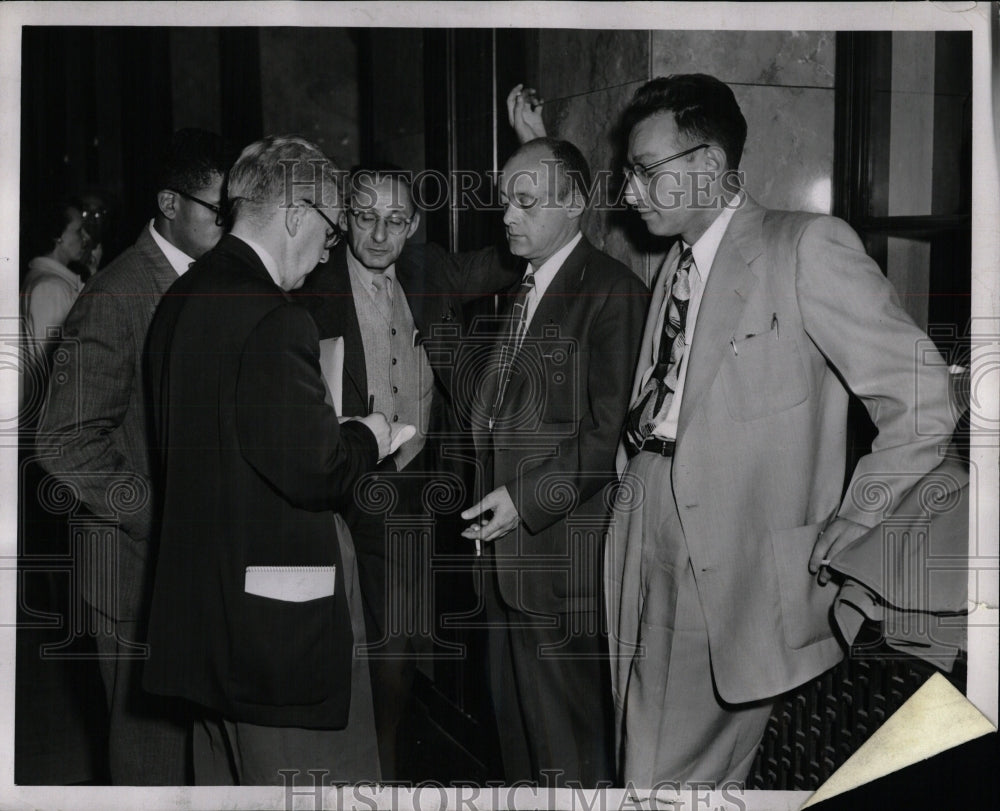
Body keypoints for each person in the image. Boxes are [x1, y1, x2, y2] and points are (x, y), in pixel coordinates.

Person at [602, 74, 957, 786]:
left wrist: (856, 517)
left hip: (729, 557)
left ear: (706, 165)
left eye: (643, 171)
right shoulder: (674, 264)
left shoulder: (806, 247)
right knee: (652, 751)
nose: (628, 192)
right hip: (642, 518)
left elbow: (923, 399)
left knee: (657, 779)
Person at [141, 135, 400, 786]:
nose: (325, 253)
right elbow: (321, 471)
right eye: (333, 230)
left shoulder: (181, 296)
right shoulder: (275, 318)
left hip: (205, 627)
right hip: (274, 639)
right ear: (297, 217)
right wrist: (370, 434)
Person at [295, 166, 519, 778]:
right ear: (344, 217)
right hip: (340, 479)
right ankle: (351, 765)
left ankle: (385, 766)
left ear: (413, 226)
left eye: (395, 221)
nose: (378, 234)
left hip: (413, 482)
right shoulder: (310, 285)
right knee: (344, 631)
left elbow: (511, 256)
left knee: (396, 635)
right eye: (365, 217)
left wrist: (530, 149)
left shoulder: (428, 270)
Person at [37, 128, 228, 785]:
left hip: (181, 562)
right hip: (130, 569)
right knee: (149, 755)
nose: (229, 226)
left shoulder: (204, 280)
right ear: (169, 204)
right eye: (217, 210)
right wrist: (159, 512)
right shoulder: (117, 294)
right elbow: (62, 441)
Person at [459, 136, 649, 787]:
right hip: (502, 569)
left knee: (569, 754)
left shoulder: (614, 293)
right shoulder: (524, 287)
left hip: (560, 567)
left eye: (526, 201)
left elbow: (605, 438)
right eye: (505, 200)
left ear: (575, 202)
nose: (508, 215)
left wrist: (522, 500)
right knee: (516, 744)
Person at [20, 197, 91, 419]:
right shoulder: (51, 289)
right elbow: (57, 371)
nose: (86, 237)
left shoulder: (51, 282)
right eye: (79, 230)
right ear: (57, 236)